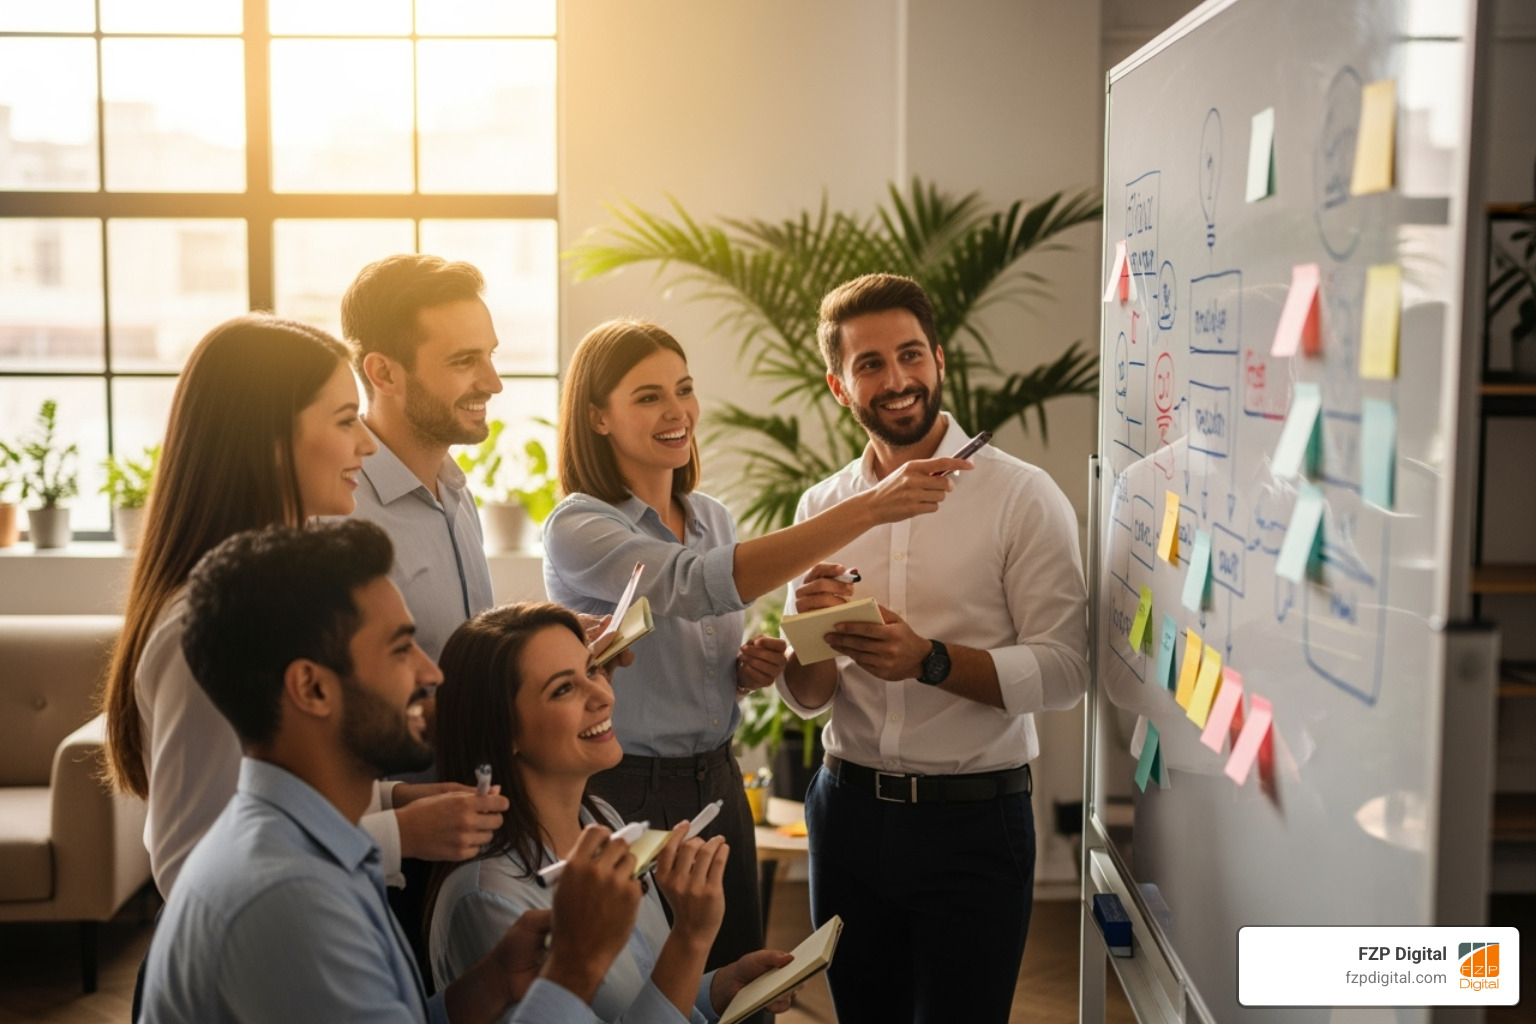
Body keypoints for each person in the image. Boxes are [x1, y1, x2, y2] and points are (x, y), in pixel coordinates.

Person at [543, 317, 971, 971]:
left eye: (684, 389)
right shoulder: (578, 524)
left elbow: (694, 638)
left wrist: (741, 673)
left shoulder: (712, 517)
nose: (677, 412)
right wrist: (871, 505)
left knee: (734, 981)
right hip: (621, 790)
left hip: (718, 780)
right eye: (649, 396)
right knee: (636, 986)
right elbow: (693, 585)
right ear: (597, 416)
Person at [142, 520, 644, 1024]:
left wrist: (488, 984)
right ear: (313, 689)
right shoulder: (291, 899)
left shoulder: (306, 843)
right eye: (402, 649)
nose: (431, 673)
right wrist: (574, 967)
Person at [100, 314, 505, 901]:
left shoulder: (282, 594)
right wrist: (399, 835)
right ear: (269, 441)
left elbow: (273, 788)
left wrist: (393, 799)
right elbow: (193, 861)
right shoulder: (206, 625)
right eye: (345, 420)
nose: (367, 443)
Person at [777, 273, 1090, 1024]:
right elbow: (809, 696)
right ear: (839, 385)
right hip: (846, 818)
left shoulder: (1021, 496)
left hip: (974, 826)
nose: (897, 379)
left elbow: (1066, 671)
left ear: (939, 360)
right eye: (870, 364)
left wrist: (930, 660)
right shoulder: (823, 507)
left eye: (910, 354)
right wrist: (805, 642)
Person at [427, 603, 801, 1023]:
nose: (604, 696)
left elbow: (637, 999)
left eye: (592, 670)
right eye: (563, 689)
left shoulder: (601, 818)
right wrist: (690, 938)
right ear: (501, 728)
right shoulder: (487, 897)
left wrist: (716, 988)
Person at [340, 253, 502, 663]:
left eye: (491, 356)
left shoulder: (456, 493)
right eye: (464, 361)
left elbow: (464, 662)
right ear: (384, 374)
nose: (493, 383)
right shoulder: (340, 518)